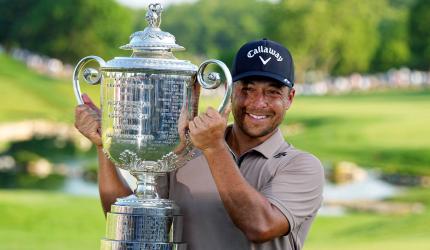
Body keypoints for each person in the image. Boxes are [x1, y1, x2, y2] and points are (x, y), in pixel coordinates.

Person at [75, 39, 324, 250]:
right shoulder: (186, 151)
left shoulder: (301, 166)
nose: (258, 103)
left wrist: (214, 148)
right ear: (230, 91)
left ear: (289, 98)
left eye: (273, 92)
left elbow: (260, 225)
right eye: (247, 89)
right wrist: (103, 146)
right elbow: (133, 221)